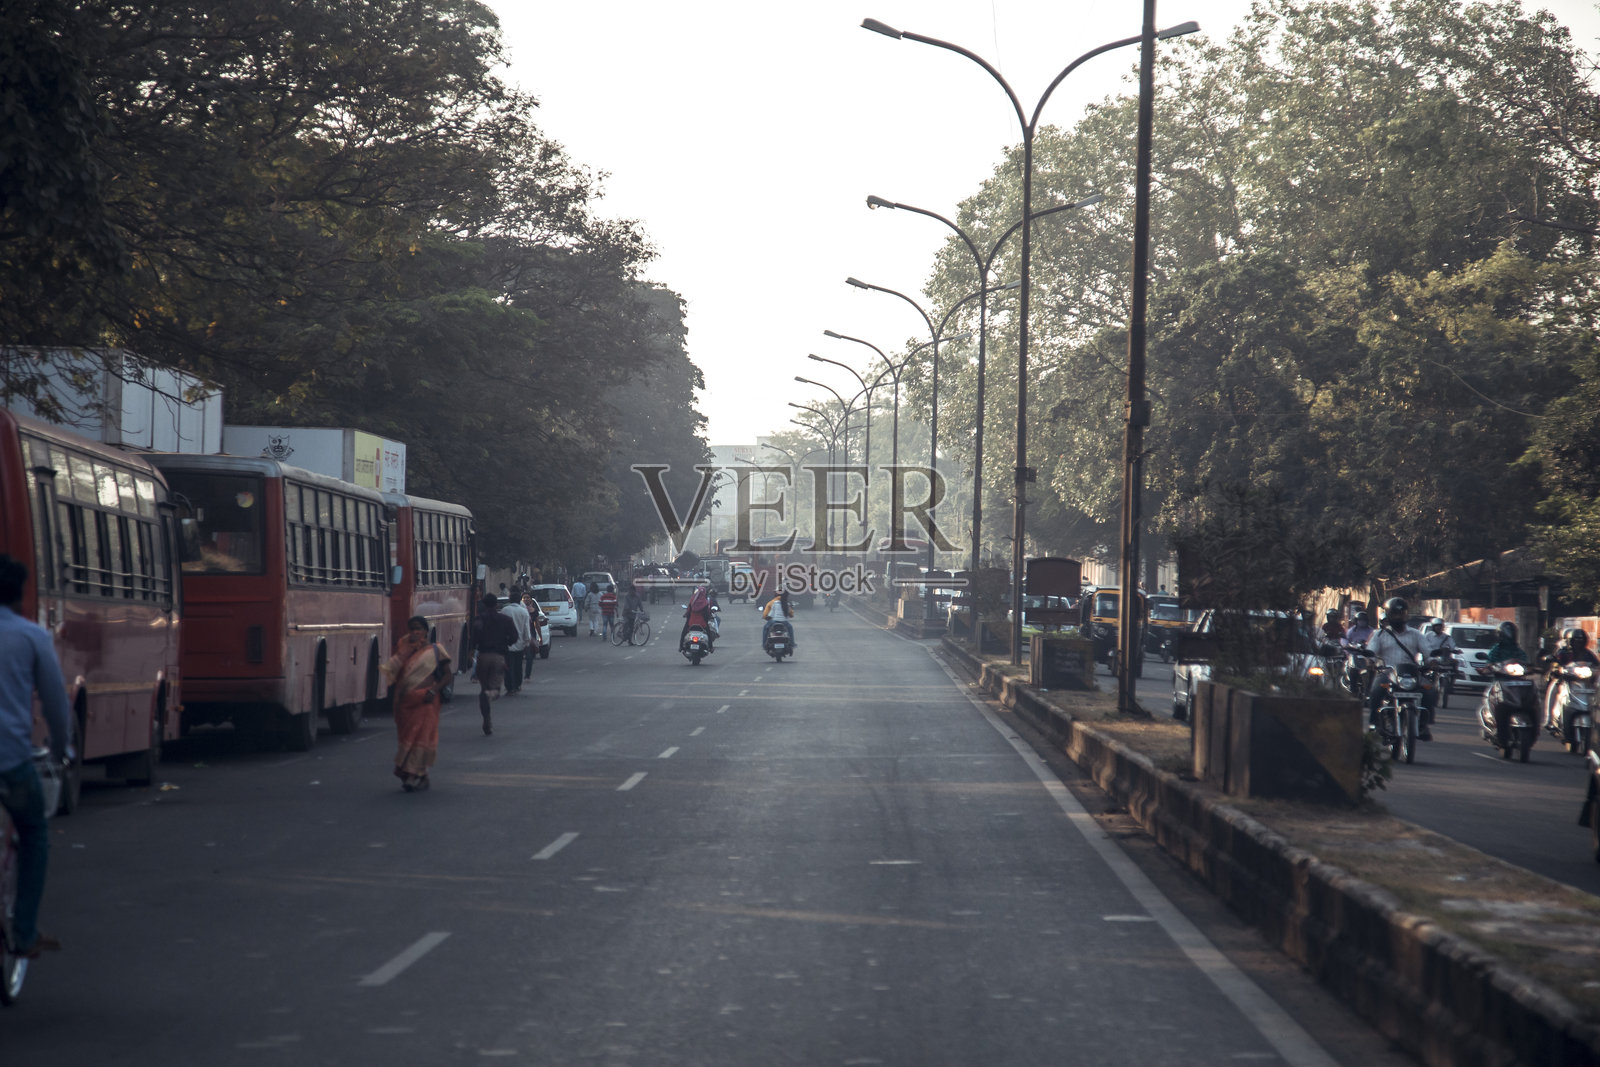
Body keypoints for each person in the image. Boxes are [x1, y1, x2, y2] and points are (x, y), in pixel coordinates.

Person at [0, 554, 70, 959]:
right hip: (10, 762)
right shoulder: (31, 637)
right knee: (33, 834)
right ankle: (24, 931)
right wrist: (63, 752)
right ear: (19, 594)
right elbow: (57, 707)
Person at [380, 616, 451, 792]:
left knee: (420, 737)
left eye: (418, 628)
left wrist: (434, 690)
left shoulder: (436, 650)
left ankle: (413, 775)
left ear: (426, 631)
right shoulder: (403, 651)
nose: (414, 632)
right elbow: (393, 673)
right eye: (411, 629)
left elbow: (448, 675)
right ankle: (420, 774)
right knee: (407, 739)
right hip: (405, 703)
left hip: (427, 701)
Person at [1365, 597, 1431, 739]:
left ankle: (1423, 725)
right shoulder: (1379, 635)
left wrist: (1432, 662)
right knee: (1375, 692)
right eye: (1395, 613)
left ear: (1406, 614)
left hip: (1411, 674)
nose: (1398, 617)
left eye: (1401, 613)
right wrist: (1370, 661)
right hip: (1387, 673)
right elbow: (1371, 653)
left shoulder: (1416, 634)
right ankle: (1374, 723)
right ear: (1389, 614)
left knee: (1430, 690)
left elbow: (1428, 653)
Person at [471, 594, 518, 735]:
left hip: (482, 657)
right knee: (495, 690)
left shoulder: (479, 620)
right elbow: (514, 638)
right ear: (496, 605)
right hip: (499, 657)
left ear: (484, 605)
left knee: (483, 688)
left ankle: (487, 718)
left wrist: (471, 651)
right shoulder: (505, 620)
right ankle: (490, 696)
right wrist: (506, 643)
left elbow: (473, 638)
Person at [1544, 627, 1599, 729]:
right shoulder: (1563, 652)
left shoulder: (1588, 654)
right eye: (1576, 641)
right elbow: (1556, 663)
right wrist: (1557, 669)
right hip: (1566, 681)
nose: (1579, 644)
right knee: (1553, 687)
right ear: (1570, 641)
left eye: (1581, 641)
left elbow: (1596, 665)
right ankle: (1549, 719)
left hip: (1585, 683)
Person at [501, 586, 532, 694]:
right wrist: (527, 642)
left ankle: (509, 686)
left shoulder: (504, 610)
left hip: (507, 644)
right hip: (520, 644)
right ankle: (517, 685)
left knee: (507, 666)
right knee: (518, 665)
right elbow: (526, 629)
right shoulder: (523, 612)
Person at [681, 584, 715, 651]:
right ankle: (710, 647)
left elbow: (688, 611)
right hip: (702, 623)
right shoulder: (705, 602)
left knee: (684, 632)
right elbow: (707, 613)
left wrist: (686, 615)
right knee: (709, 633)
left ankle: (681, 646)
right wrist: (709, 617)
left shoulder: (692, 601)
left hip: (691, 621)